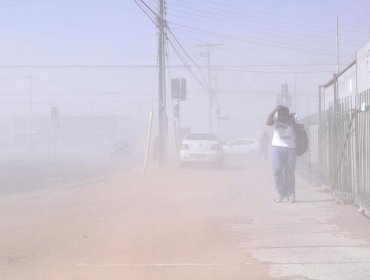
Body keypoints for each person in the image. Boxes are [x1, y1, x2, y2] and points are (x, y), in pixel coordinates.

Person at [266, 105, 299, 203]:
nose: (283, 119)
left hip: (291, 147)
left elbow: (301, 129)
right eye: (281, 117)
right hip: (277, 146)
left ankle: (290, 193)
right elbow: (268, 122)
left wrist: (293, 123)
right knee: (277, 170)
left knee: (289, 172)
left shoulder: (294, 117)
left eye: (284, 117)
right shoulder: (276, 115)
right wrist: (274, 110)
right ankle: (280, 193)